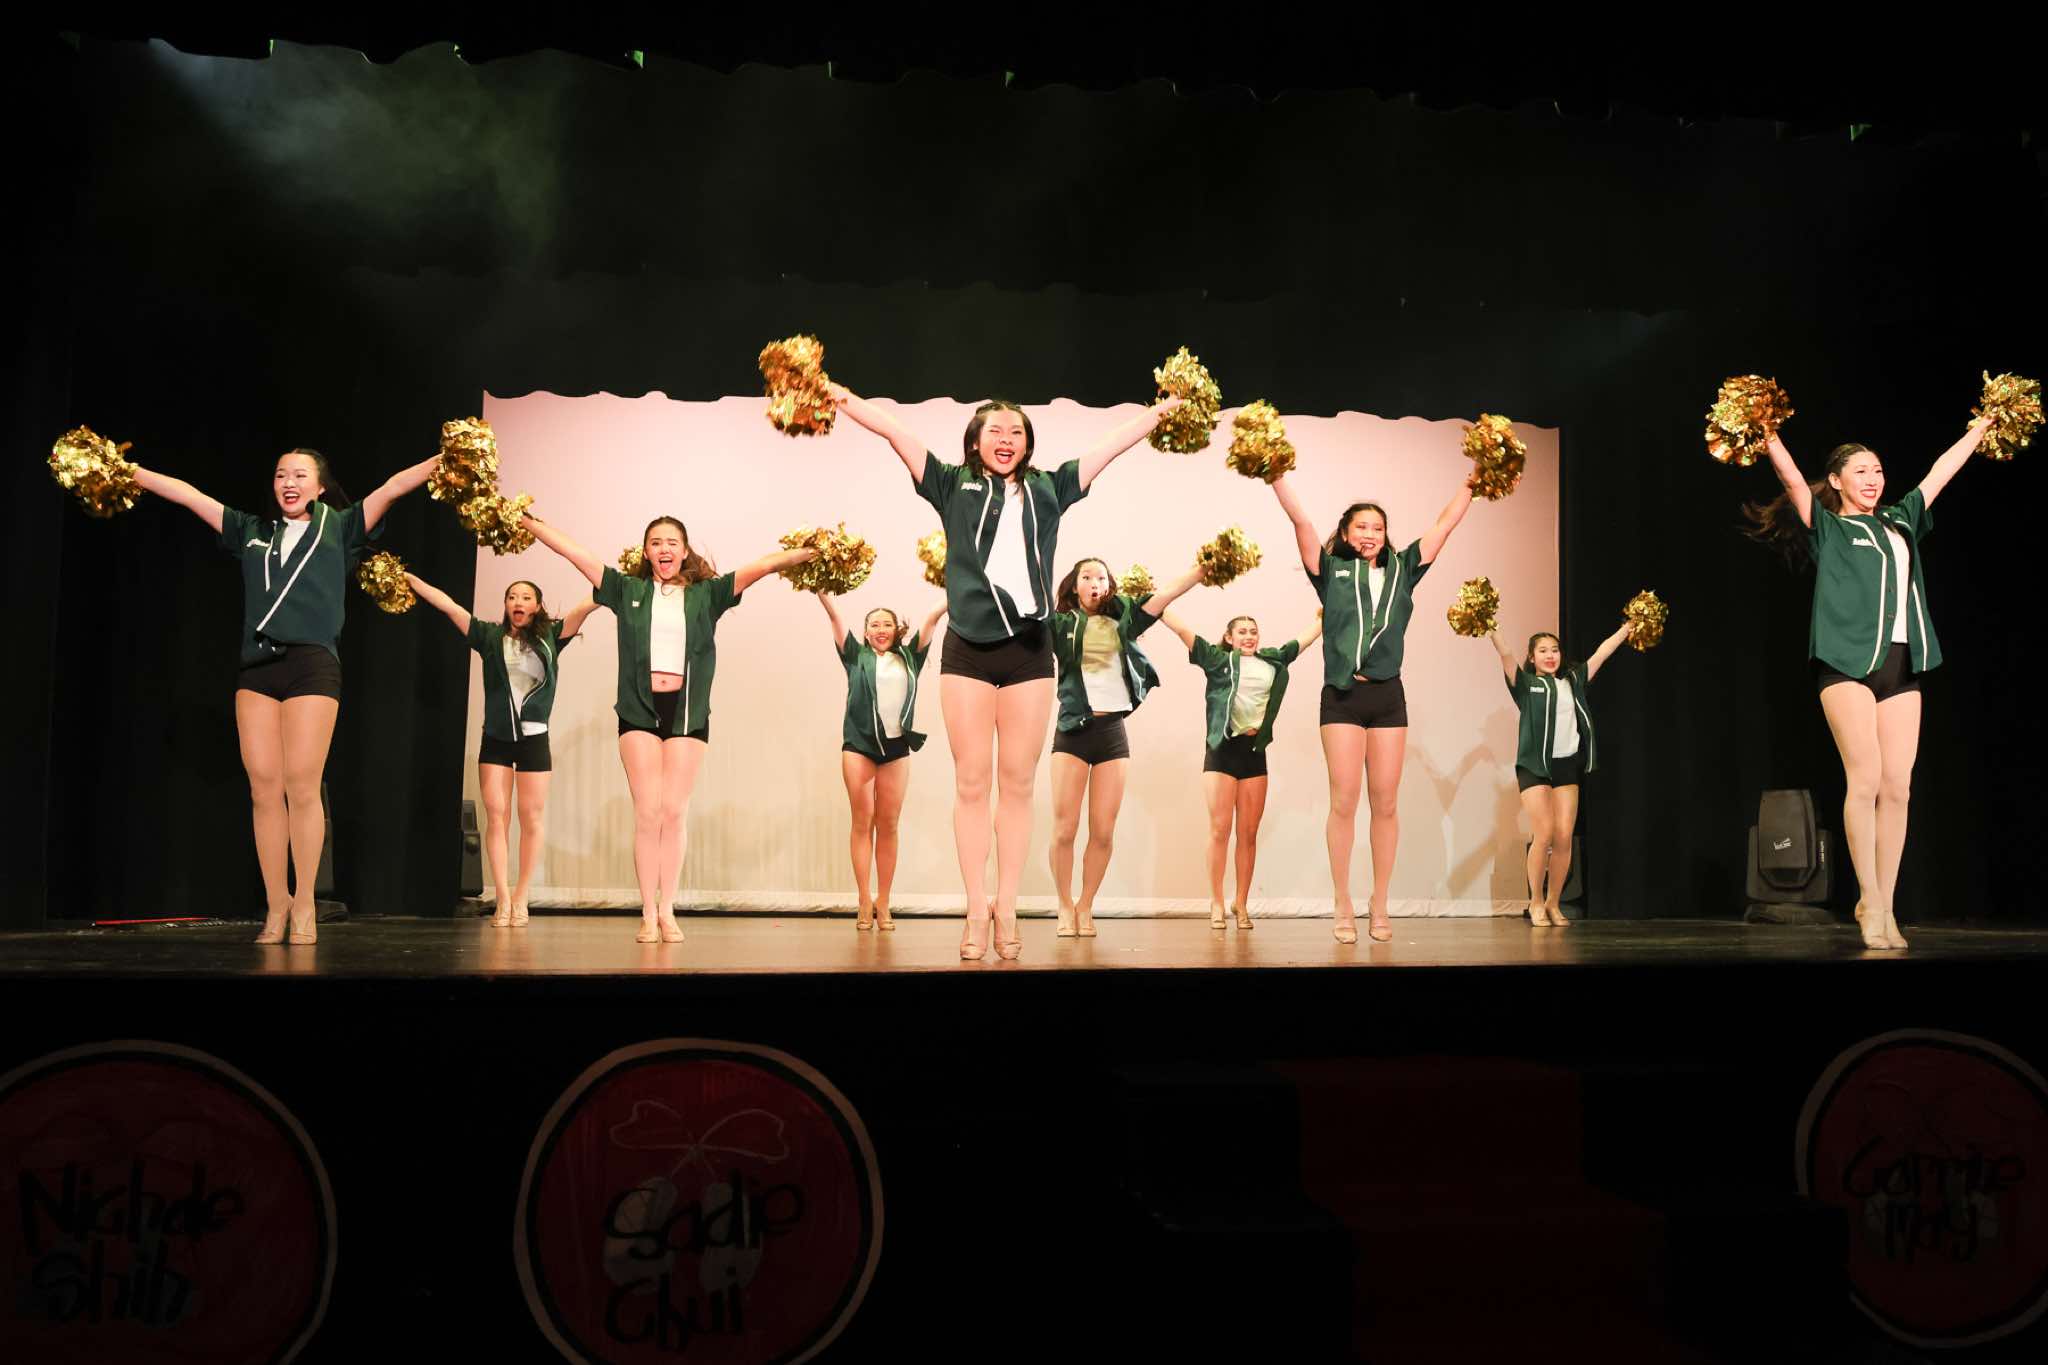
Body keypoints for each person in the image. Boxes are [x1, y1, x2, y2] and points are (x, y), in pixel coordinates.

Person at [829, 385, 1182, 960]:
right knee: (972, 784)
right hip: (968, 651)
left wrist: (1161, 412)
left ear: (1028, 443)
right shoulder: (951, 484)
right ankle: (976, 908)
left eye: (1016, 431)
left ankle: (1008, 905)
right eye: (994, 430)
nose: (1006, 439)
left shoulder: (1050, 488)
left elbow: (1110, 446)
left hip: (1029, 653)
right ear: (974, 441)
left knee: (1017, 785)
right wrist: (838, 396)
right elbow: (895, 430)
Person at [131, 446, 437, 944]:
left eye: (299, 475)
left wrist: (443, 462)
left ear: (320, 486)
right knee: (263, 789)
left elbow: (393, 486)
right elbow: (189, 496)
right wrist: (132, 472)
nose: (288, 483)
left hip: (312, 665)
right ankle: (277, 904)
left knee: (302, 785)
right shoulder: (251, 530)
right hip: (257, 668)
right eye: (280, 475)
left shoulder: (341, 527)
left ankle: (306, 903)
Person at [1744, 416, 1996, 949]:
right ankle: (1869, 900)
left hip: (1902, 663)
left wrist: (1981, 429)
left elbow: (1939, 473)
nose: (1873, 479)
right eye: (1861, 471)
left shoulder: (1901, 519)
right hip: (1845, 663)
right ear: (1837, 481)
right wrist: (1768, 434)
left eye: (1877, 470)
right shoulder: (1829, 527)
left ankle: (1887, 903)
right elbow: (1792, 480)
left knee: (1898, 787)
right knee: (1865, 779)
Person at [522, 511, 814, 943]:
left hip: (687, 712)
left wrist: (810, 552)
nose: (664, 549)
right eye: (656, 542)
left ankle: (667, 909)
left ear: (684, 550)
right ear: (646, 551)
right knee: (647, 812)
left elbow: (763, 566)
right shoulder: (627, 589)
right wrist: (529, 523)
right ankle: (646, 911)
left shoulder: (708, 594)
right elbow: (575, 554)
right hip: (639, 710)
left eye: (672, 542)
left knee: (674, 812)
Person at [1268, 465, 1480, 943]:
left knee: (1385, 802)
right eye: (1361, 526)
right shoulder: (1331, 571)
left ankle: (1379, 903)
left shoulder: (1404, 568)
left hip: (1387, 696)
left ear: (1386, 536)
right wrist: (1274, 475)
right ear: (1345, 533)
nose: (1369, 534)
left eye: (1377, 528)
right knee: (1344, 800)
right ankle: (1342, 901)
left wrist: (1472, 483)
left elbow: (1444, 525)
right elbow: (1301, 521)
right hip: (1342, 696)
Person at [405, 573, 598, 926]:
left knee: (531, 818)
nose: (518, 602)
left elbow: (587, 605)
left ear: (536, 606)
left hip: (534, 739)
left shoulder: (551, 636)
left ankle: (522, 896)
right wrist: (410, 580)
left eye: (525, 597)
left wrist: (622, 581)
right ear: (506, 605)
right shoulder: (489, 636)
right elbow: (449, 606)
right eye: (512, 597)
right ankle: (503, 898)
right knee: (497, 817)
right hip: (495, 738)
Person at [1045, 558, 1203, 937]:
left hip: (1111, 734)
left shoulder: (1125, 619)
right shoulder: (1061, 624)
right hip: (1072, 731)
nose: (1094, 582)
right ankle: (1064, 904)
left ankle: (1086, 905)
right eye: (1087, 577)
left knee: (1103, 831)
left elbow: (1164, 595)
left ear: (1109, 586)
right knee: (1065, 829)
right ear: (1074, 587)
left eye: (1101, 577)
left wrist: (1202, 570)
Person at [1156, 607, 1322, 929]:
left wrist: (1323, 618)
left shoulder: (1272, 661)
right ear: (1229, 638)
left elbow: (1302, 642)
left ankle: (1241, 903)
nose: (1249, 636)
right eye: (1242, 632)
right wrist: (1158, 606)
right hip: (1222, 751)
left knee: (1248, 834)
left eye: (1253, 631)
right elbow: (1183, 632)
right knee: (1220, 830)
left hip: (1253, 753)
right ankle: (1217, 901)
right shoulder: (1218, 660)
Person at [1481, 616, 1635, 926]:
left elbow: (1603, 653)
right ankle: (1535, 902)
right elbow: (1505, 653)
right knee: (1544, 833)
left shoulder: (1573, 681)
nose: (1550, 656)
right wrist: (1489, 624)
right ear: (1532, 657)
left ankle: (1553, 903)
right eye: (1543, 651)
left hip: (1566, 765)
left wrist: (1627, 629)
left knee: (1564, 836)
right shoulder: (1525, 685)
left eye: (1554, 650)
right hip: (1534, 766)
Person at [816, 591, 949, 930]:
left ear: (896, 629)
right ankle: (864, 899)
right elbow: (835, 618)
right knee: (863, 822)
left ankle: (884, 901)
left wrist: (958, 586)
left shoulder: (910, 656)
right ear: (865, 632)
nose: (880, 629)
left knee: (888, 824)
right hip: (859, 747)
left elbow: (932, 618)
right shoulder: (854, 655)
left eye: (886, 624)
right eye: (874, 624)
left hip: (895, 750)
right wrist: (821, 591)